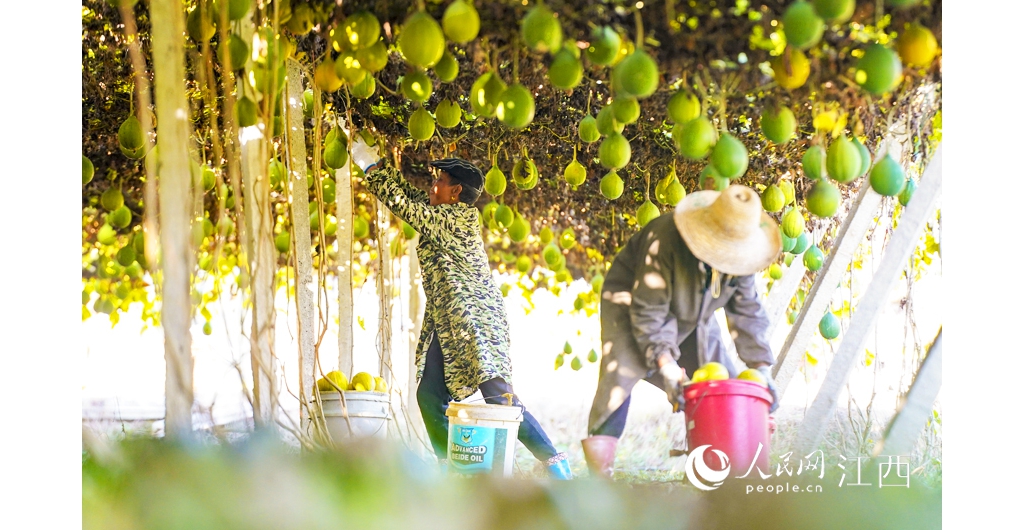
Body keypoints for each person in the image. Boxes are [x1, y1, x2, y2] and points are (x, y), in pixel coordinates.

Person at [350, 135, 572, 480]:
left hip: (475, 319)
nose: (432, 185)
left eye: (439, 181)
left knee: (499, 396)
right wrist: (378, 167)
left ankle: (556, 464)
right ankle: (450, 469)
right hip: (449, 319)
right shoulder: (441, 214)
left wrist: (369, 167)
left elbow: (404, 205)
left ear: (455, 193)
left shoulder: (458, 219)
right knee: (429, 394)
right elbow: (409, 198)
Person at [581, 184, 782, 478]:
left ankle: (718, 474)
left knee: (722, 384)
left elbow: (747, 311)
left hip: (693, 312)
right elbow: (649, 312)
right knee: (620, 376)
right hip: (632, 303)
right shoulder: (664, 240)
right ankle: (599, 478)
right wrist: (667, 364)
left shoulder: (744, 253)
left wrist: (762, 368)